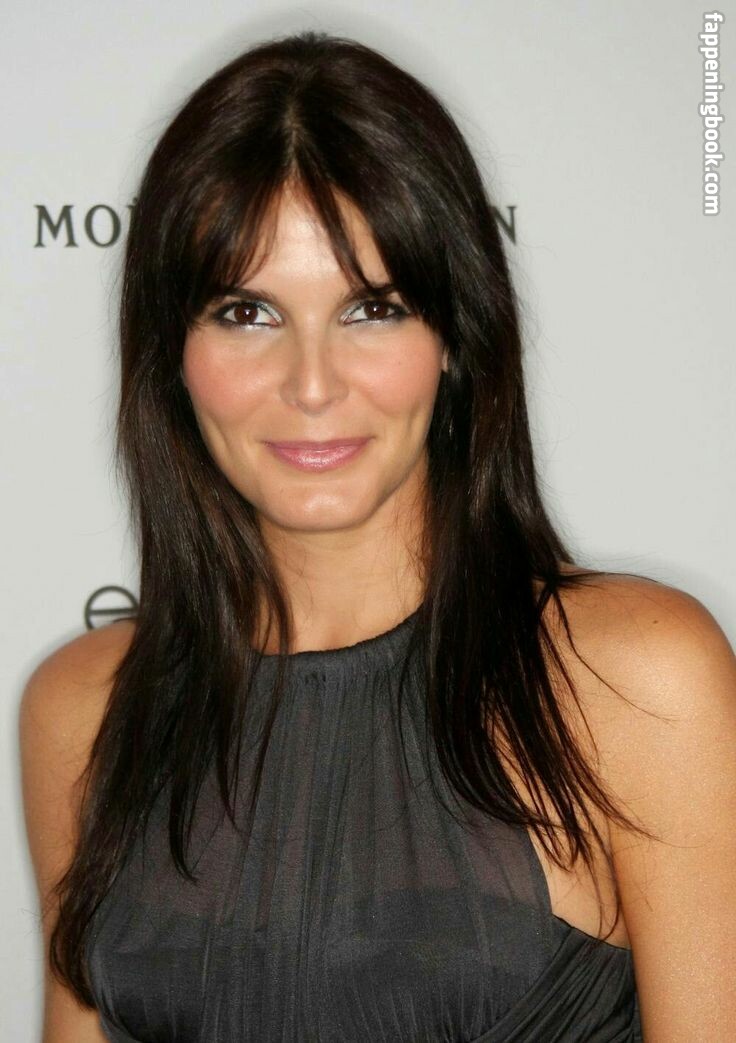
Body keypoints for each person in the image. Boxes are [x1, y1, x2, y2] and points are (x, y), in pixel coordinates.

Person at [19, 29, 736, 1043]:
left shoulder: (634, 679)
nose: (312, 384)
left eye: (372, 308)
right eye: (247, 312)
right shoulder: (83, 707)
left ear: (454, 338)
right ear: (171, 352)